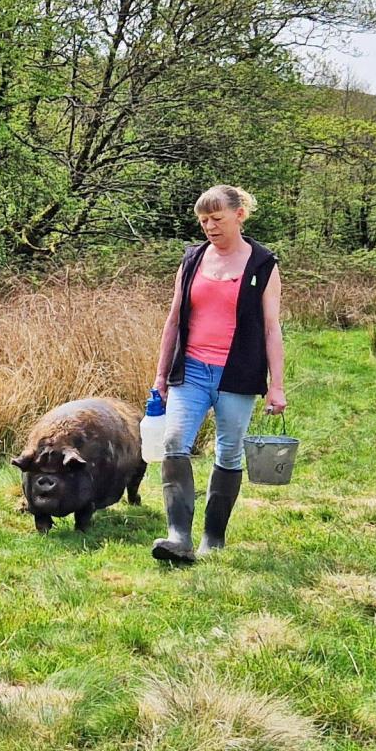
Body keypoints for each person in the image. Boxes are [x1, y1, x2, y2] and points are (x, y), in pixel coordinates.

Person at [148, 185, 286, 564]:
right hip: (190, 370)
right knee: (175, 441)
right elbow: (174, 319)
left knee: (228, 451)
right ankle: (178, 537)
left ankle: (213, 538)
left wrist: (277, 386)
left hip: (237, 374)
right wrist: (161, 375)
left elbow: (272, 328)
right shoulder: (192, 259)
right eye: (204, 220)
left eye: (217, 219)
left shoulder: (263, 264)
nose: (209, 226)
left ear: (239, 215)